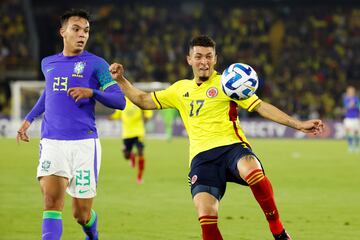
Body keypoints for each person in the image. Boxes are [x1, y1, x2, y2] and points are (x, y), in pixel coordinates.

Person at [108, 35, 324, 240]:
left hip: (232, 147)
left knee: (252, 168)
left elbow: (260, 106)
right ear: (189, 59)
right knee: (206, 215)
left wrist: (298, 124)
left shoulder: (229, 83)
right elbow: (144, 100)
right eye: (199, 56)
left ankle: (277, 229)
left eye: (209, 56)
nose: (204, 61)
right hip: (202, 159)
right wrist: (121, 80)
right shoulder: (179, 89)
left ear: (215, 59)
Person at [16, 9, 126, 240]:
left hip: (85, 144)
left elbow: (120, 101)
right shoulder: (48, 63)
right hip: (52, 142)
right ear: (63, 32)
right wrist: (28, 119)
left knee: (81, 214)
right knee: (51, 202)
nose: (82, 34)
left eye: (86, 30)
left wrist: (92, 92)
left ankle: (92, 235)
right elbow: (49, 94)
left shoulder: (97, 65)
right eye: (76, 29)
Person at [109, 97, 153, 183]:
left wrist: (147, 116)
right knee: (126, 156)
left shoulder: (137, 100)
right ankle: (132, 156)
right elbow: (117, 114)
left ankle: (139, 176)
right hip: (127, 133)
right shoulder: (122, 101)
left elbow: (148, 111)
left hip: (139, 132)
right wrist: (111, 117)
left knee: (140, 152)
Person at [343, 86, 360, 153]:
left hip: (356, 118)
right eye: (349, 91)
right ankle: (350, 146)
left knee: (356, 133)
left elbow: (359, 108)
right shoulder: (346, 99)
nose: (351, 92)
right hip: (348, 118)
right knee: (349, 133)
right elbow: (347, 107)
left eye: (352, 91)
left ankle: (356, 146)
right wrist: (352, 103)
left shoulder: (356, 99)